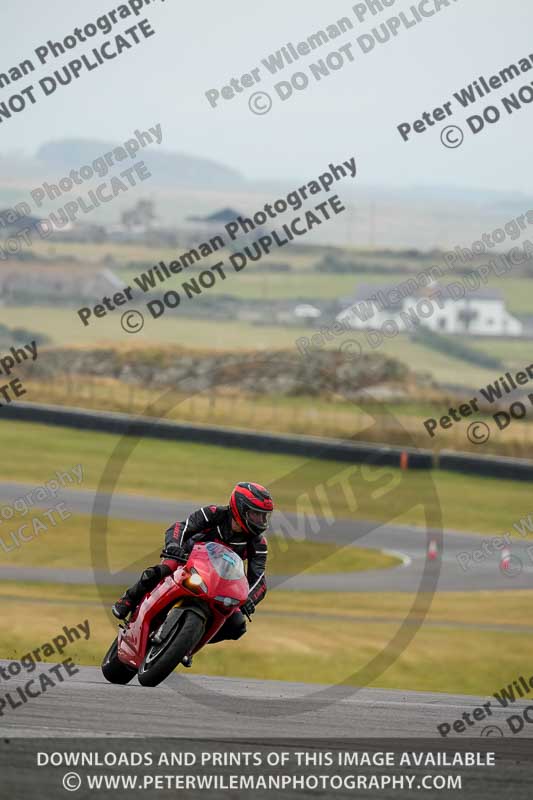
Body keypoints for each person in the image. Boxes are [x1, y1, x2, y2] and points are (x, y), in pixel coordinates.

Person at [112, 482, 273, 666]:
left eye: (263, 516)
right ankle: (128, 599)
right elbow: (181, 527)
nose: (260, 521)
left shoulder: (258, 544)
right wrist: (174, 546)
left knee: (237, 624)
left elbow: (259, 578)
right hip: (187, 563)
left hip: (219, 584)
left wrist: (250, 598)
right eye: (256, 514)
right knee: (163, 568)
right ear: (240, 508)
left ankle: (189, 643)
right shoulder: (213, 513)